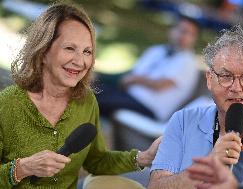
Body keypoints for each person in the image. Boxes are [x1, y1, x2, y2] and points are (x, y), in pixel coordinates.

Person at [0, 3, 161, 188]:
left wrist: (145, 156)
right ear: (43, 51)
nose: (80, 61)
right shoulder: (6, 105)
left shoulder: (86, 102)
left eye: (87, 51)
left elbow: (97, 161)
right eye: (69, 48)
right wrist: (22, 168)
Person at [148, 24, 243, 189]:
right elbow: (156, 186)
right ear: (209, 79)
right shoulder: (183, 121)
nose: (236, 87)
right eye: (226, 76)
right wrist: (207, 166)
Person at [95, 15, 200, 121]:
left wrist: (135, 79)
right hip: (128, 96)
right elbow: (132, 73)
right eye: (182, 30)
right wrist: (101, 75)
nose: (184, 36)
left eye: (191, 34)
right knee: (92, 89)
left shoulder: (188, 62)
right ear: (171, 31)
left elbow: (160, 85)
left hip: (148, 109)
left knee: (97, 100)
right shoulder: (157, 50)